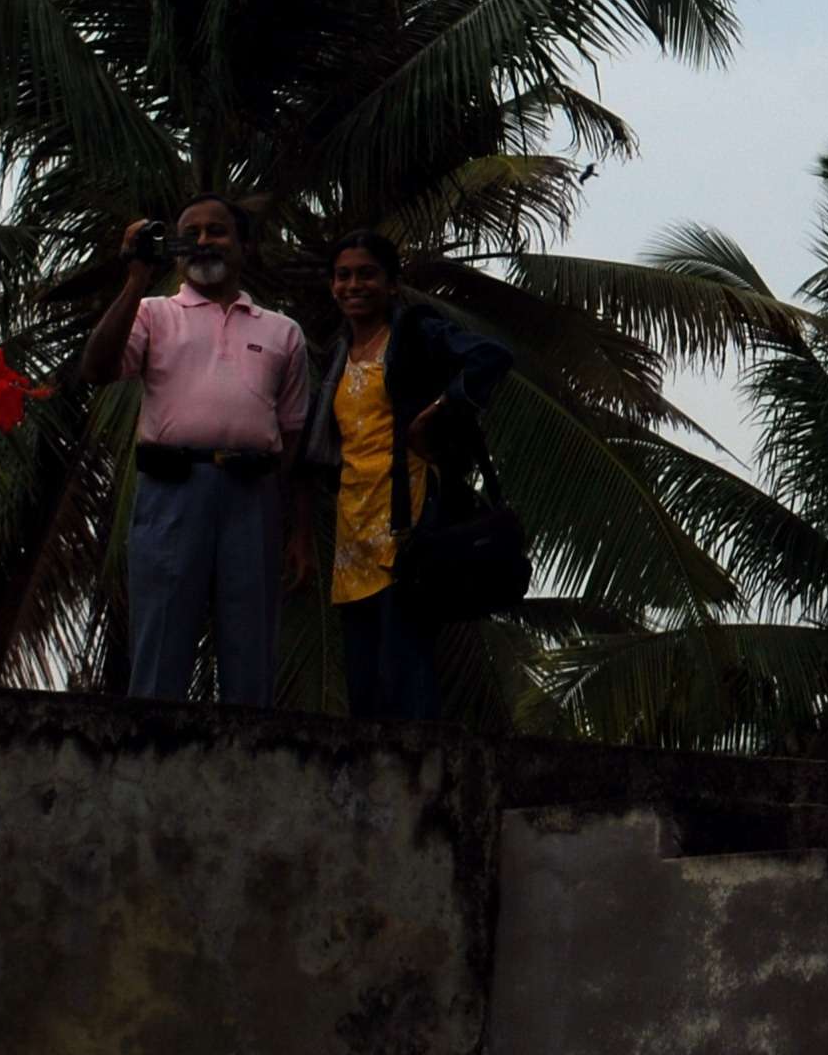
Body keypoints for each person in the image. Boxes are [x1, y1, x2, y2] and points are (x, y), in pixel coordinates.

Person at [80, 195, 312, 705]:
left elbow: (293, 436)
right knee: (160, 642)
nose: (204, 241)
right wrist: (136, 277)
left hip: (253, 494)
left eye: (217, 231)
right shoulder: (152, 313)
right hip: (172, 490)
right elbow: (96, 369)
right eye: (192, 233)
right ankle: (150, 749)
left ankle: (247, 751)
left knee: (251, 651)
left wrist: (297, 528)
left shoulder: (282, 331)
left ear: (244, 245)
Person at [303, 230, 510, 721]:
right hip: (354, 525)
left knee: (405, 664)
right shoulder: (336, 355)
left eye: (367, 274)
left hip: (408, 516)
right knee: (363, 678)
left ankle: (418, 765)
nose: (354, 285)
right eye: (343, 276)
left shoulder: (413, 335)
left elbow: (492, 356)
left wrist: (440, 409)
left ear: (392, 283)